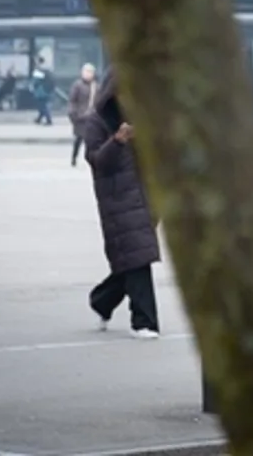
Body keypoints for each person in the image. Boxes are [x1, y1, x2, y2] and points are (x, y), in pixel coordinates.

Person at [77, 66, 161, 338]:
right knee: (139, 257)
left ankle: (102, 300)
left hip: (146, 195)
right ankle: (144, 322)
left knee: (134, 255)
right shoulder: (97, 122)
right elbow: (97, 162)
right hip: (118, 198)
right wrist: (118, 141)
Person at [67, 63, 98, 166]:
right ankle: (74, 158)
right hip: (80, 117)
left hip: (92, 118)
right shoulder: (77, 85)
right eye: (86, 71)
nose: (88, 74)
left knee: (92, 141)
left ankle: (92, 160)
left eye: (90, 72)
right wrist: (73, 114)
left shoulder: (96, 86)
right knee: (78, 139)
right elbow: (72, 101)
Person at [31, 58, 54, 126]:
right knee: (42, 105)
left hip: (41, 91)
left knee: (42, 106)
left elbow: (36, 81)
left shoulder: (39, 70)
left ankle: (48, 119)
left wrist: (32, 87)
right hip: (47, 90)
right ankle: (39, 119)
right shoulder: (47, 69)